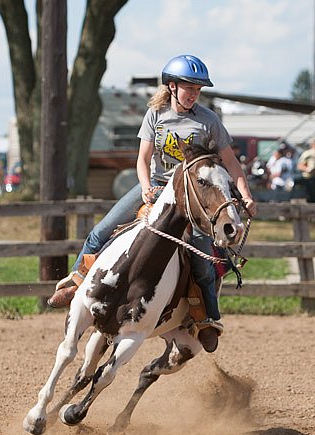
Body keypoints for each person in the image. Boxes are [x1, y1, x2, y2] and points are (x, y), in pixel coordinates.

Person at [47, 54, 258, 352]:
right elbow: (143, 160)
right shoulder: (156, 114)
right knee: (100, 232)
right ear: (172, 87)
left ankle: (206, 318)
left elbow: (231, 163)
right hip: (156, 187)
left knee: (203, 262)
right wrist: (146, 187)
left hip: (189, 198)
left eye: (198, 89)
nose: (195, 94)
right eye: (190, 88)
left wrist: (245, 195)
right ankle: (76, 285)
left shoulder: (208, 121)